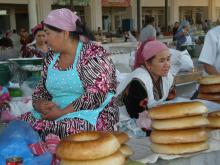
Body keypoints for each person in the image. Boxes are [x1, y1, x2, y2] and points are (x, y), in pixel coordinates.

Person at [19, 8, 118, 140]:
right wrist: (40, 104)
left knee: (66, 129)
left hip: (91, 112)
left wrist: (61, 113)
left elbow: (96, 95)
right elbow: (41, 89)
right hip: (56, 112)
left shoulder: (93, 54)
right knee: (21, 124)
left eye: (48, 34)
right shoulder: (51, 57)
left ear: (65, 33)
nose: (45, 39)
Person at [116, 40, 176, 136]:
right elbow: (137, 116)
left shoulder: (168, 78)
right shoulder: (138, 82)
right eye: (161, 60)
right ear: (148, 64)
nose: (167, 64)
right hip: (124, 120)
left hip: (149, 118)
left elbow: (170, 105)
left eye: (168, 59)